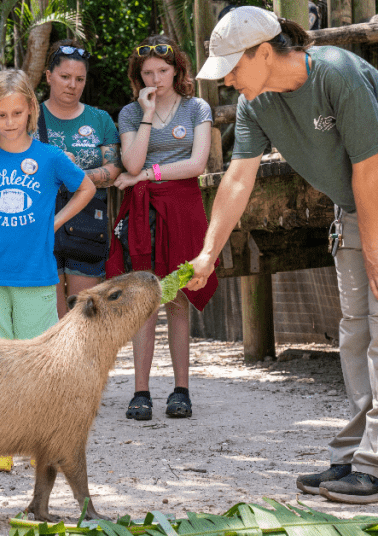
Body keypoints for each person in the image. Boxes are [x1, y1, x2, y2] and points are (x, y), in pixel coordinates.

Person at [190, 7, 378, 503]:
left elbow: (369, 163)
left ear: (263, 51)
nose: (226, 80)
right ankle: (357, 456)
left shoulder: (335, 71)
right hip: (358, 206)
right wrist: (208, 252)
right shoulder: (255, 103)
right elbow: (239, 178)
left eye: (232, 67)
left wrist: (374, 247)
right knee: (357, 332)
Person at [0, 69, 94, 471]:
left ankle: (41, 445)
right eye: (1, 115)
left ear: (31, 109)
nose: (10, 122)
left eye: (17, 112)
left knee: (37, 365)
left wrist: (54, 221)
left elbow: (85, 188)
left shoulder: (50, 157)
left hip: (36, 277)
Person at [108, 35, 218, 421]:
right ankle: (141, 391)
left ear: (178, 70)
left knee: (177, 299)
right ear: (138, 76)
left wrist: (146, 176)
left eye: (163, 71)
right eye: (148, 73)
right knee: (144, 302)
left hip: (184, 209)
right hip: (143, 214)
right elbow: (132, 163)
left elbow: (196, 165)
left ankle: (181, 390)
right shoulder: (129, 113)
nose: (156, 78)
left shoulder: (197, 108)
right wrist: (147, 114)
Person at [38, 39, 123, 318]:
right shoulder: (28, 117)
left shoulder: (100, 120)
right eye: (64, 77)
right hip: (42, 220)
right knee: (51, 317)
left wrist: (76, 176)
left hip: (88, 222)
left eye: (79, 79)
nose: (72, 85)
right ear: (49, 76)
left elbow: (114, 169)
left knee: (83, 315)